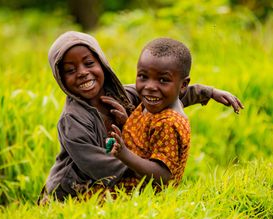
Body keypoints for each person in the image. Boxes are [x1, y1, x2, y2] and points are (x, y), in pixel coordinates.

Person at [38, 31, 243, 204]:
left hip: (119, 179)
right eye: (70, 70)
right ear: (61, 78)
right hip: (71, 190)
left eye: (89, 63)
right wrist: (144, 167)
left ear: (102, 64)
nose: (82, 73)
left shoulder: (122, 95)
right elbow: (98, 165)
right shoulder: (72, 121)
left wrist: (208, 92)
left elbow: (164, 96)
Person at [108, 38, 195, 193]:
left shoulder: (169, 122)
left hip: (145, 197)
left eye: (163, 80)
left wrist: (124, 154)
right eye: (143, 76)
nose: (150, 87)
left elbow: (163, 175)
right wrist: (128, 122)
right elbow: (146, 139)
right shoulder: (152, 105)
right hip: (129, 187)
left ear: (183, 85)